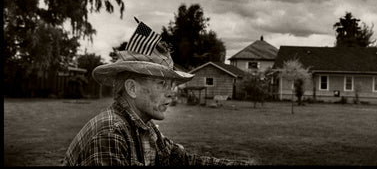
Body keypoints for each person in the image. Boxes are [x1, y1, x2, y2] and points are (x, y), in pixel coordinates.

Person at [64, 21, 250, 166]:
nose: (172, 93)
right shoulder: (110, 134)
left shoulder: (144, 128)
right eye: (162, 83)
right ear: (132, 88)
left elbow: (183, 161)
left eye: (172, 85)